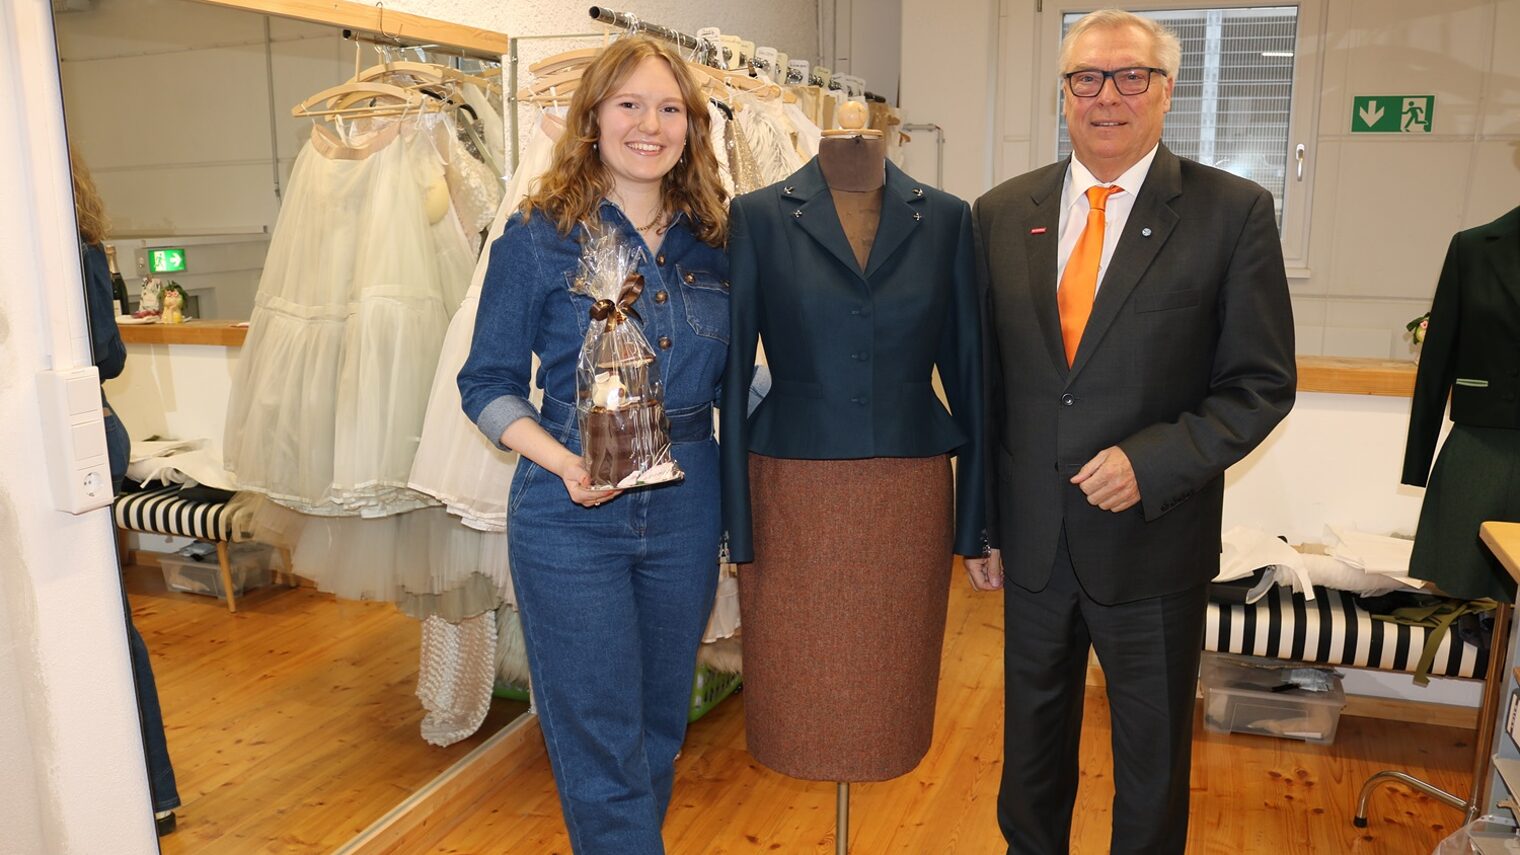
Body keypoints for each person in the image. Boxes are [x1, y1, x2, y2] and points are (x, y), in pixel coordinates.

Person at [971, 10, 1296, 854]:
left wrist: (1150, 462)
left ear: (1166, 90)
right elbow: (988, 390)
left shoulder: (1233, 213)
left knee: (1150, 767)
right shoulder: (1002, 214)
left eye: (1129, 77)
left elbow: (1260, 385)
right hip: (1036, 545)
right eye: (1086, 77)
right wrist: (979, 524)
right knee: (1030, 761)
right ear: (1065, 90)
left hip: (1153, 544)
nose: (1105, 96)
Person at [456, 36, 728, 855]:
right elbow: (486, 383)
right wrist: (565, 460)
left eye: (670, 108)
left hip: (685, 505)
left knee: (656, 725)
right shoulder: (539, 237)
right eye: (630, 105)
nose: (651, 124)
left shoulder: (717, 242)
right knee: (596, 734)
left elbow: (735, 380)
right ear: (594, 119)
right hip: (571, 510)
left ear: (692, 126)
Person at [72, 145, 182, 837]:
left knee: (109, 620)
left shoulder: (74, 251)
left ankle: (151, 789)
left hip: (84, 436)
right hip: (88, 434)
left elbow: (105, 353)